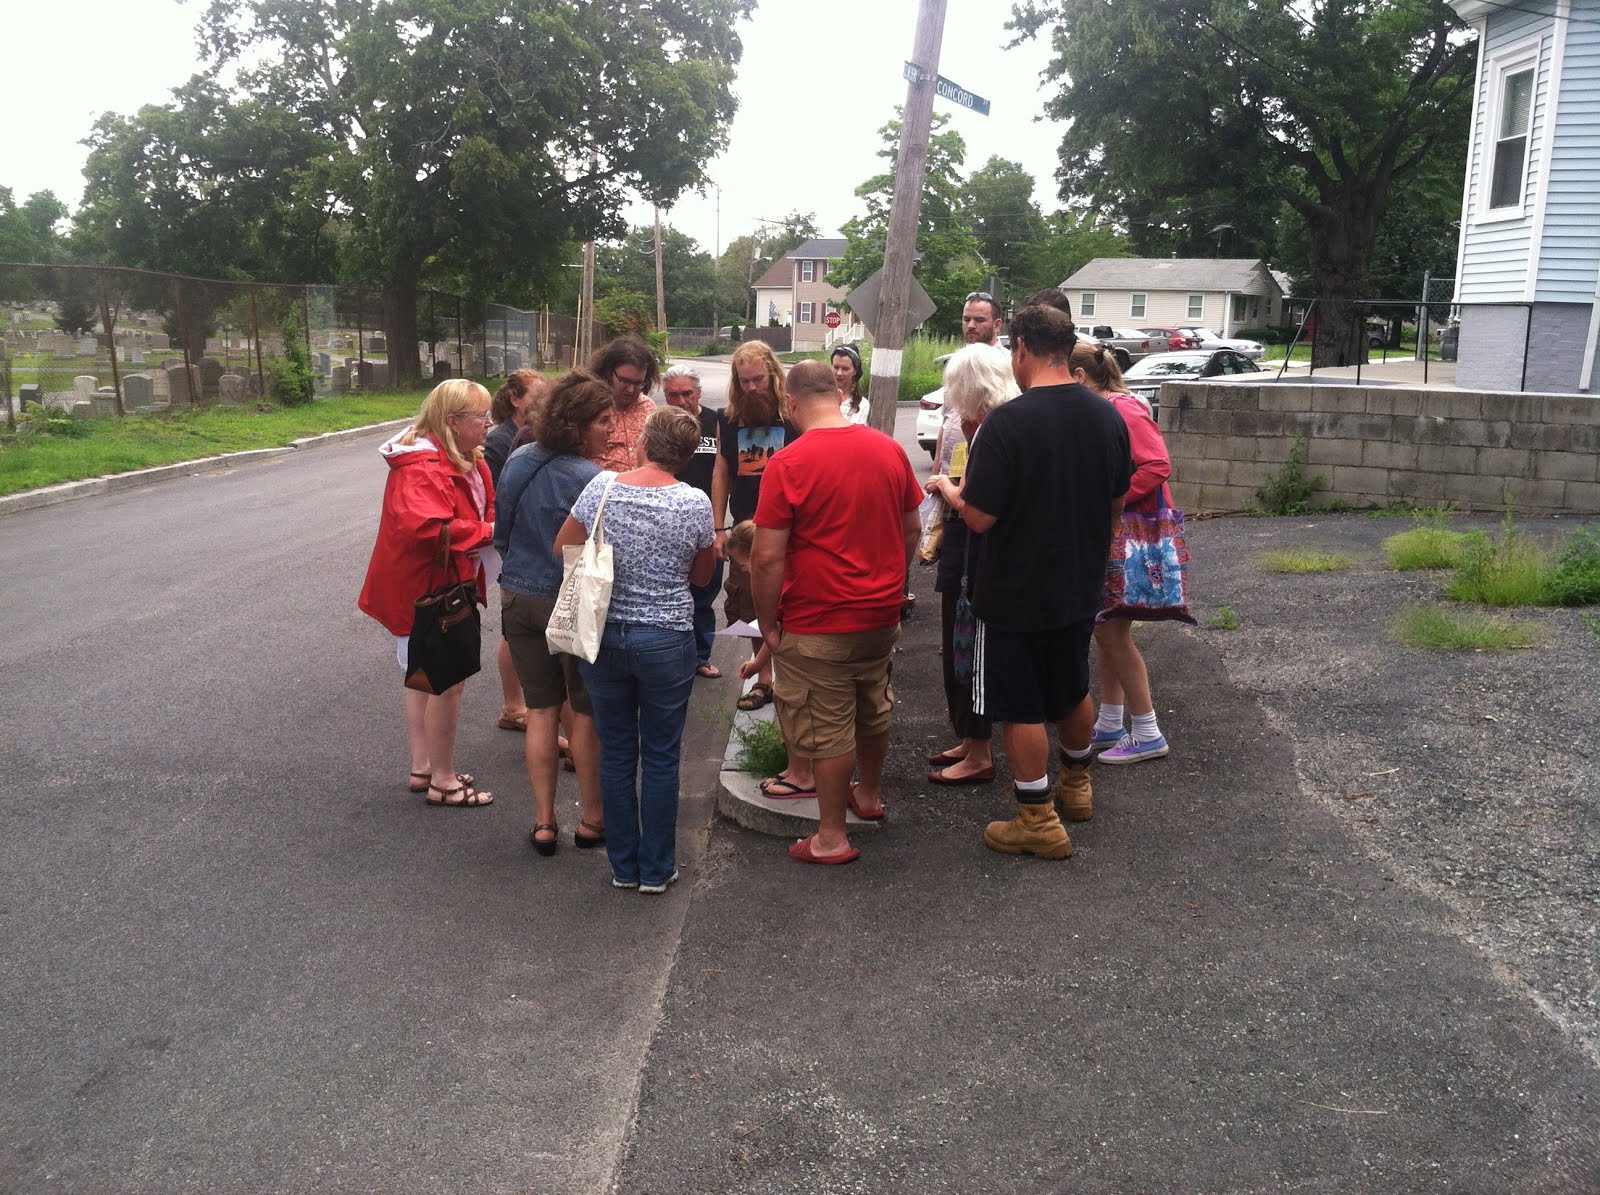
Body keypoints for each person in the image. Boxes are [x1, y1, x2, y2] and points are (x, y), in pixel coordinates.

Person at [959, 303, 1131, 859]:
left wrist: (951, 492)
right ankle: (1075, 786)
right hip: (1078, 579)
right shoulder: (1108, 415)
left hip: (1012, 589)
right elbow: (1117, 498)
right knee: (1071, 687)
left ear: (1022, 350)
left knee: (1021, 704)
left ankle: (1036, 818)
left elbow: (981, 516)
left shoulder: (1007, 421)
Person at [751, 360, 923, 865]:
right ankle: (867, 796)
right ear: (837, 392)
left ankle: (830, 837)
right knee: (873, 704)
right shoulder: (888, 449)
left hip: (817, 618)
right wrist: (890, 579)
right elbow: (911, 529)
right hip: (879, 615)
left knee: (826, 726)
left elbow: (765, 557)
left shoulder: (788, 462)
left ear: (792, 402)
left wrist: (767, 623)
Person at [555, 406, 716, 894]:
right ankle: (657, 868)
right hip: (666, 638)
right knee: (663, 754)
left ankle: (623, 866)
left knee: (618, 749)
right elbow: (703, 576)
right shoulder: (695, 503)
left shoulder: (601, 488)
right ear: (687, 456)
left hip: (603, 635)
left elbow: (563, 548)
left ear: (645, 439)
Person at [358, 379, 497, 809]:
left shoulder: (464, 459)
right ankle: (442, 779)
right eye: (481, 417)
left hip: (442, 579)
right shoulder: (422, 467)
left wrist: (486, 525)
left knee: (422, 676)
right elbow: (429, 528)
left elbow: (482, 505)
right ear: (452, 422)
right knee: (445, 682)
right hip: (429, 588)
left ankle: (424, 767)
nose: (489, 424)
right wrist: (490, 532)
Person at [494, 370, 612, 855]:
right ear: (579, 425)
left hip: (518, 595)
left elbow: (501, 531)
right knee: (582, 712)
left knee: (541, 711)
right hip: (570, 600)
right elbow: (603, 552)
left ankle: (544, 822)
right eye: (603, 421)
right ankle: (591, 819)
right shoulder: (596, 480)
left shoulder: (518, 458)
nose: (610, 429)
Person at [1069, 340, 1174, 765]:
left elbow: (1157, 464)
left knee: (1111, 631)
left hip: (1126, 534)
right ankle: (1112, 720)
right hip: (1119, 533)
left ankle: (1147, 731)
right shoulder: (1114, 407)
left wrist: (1111, 499)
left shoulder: (1123, 410)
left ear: (1079, 377)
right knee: (1107, 628)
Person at [920, 343, 1018, 785]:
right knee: (955, 643)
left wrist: (944, 484)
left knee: (967, 648)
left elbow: (978, 509)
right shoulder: (990, 426)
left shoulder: (993, 431)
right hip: (966, 552)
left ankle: (978, 752)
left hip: (978, 557)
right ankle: (967, 738)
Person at [713, 340, 798, 711]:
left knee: (789, 601)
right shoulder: (729, 418)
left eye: (758, 379)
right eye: (744, 381)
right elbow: (721, 470)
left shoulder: (792, 414)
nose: (751, 388)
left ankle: (791, 677)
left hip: (790, 526)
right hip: (746, 526)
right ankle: (763, 680)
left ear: (773, 375)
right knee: (749, 602)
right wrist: (719, 527)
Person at [483, 369, 550, 733]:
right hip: (514, 547)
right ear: (516, 399)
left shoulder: (527, 434)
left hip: (522, 545)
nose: (543, 401)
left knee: (516, 628)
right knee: (513, 629)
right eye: (537, 395)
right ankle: (512, 704)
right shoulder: (502, 441)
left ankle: (518, 704)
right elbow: (498, 499)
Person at [662, 365, 726, 679]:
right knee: (671, 594)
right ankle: (672, 655)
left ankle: (700, 656)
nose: (682, 400)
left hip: (707, 525)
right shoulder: (660, 426)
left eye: (687, 393)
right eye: (673, 394)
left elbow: (725, 475)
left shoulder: (717, 423)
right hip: (667, 526)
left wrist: (719, 529)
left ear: (698, 393)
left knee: (704, 593)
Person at [588, 336, 659, 472]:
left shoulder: (649, 408)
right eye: (625, 381)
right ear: (608, 373)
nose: (631, 390)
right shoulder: (591, 407)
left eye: (638, 383)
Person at [831, 344, 869, 424]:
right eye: (836, 367)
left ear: (855, 371)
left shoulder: (861, 404)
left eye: (845, 369)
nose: (839, 373)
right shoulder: (820, 397)